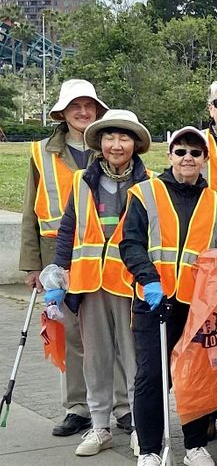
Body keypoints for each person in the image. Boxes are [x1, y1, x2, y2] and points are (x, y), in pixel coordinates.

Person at [120, 126, 217, 466]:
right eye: (181, 151)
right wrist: (149, 279)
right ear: (170, 155)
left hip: (198, 305)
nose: (187, 158)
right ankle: (150, 449)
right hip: (155, 301)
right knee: (152, 375)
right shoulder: (145, 193)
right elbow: (131, 243)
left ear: (204, 160)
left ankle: (195, 445)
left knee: (194, 374)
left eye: (195, 153)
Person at [49, 108, 150, 457]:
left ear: (135, 144)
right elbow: (67, 228)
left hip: (130, 285)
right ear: (100, 143)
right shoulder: (83, 180)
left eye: (124, 137)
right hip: (89, 284)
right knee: (96, 360)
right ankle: (99, 426)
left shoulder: (150, 183)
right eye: (109, 137)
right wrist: (58, 270)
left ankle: (141, 427)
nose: (116, 144)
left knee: (136, 360)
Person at [20, 79, 115, 438]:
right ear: (62, 112)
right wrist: (32, 266)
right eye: (75, 106)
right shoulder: (41, 151)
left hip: (104, 258)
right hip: (56, 259)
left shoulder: (109, 145)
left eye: (88, 105)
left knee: (110, 335)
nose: (82, 111)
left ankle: (120, 407)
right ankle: (78, 408)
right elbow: (30, 211)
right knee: (70, 334)